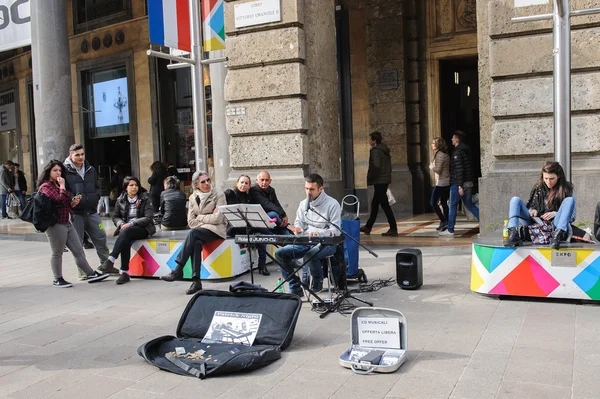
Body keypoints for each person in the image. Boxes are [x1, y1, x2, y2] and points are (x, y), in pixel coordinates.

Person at [36, 160, 109, 287]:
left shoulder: (58, 185)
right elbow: (59, 199)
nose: (58, 173)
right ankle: (57, 278)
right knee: (57, 252)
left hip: (68, 222)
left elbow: (64, 202)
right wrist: (63, 187)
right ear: (48, 172)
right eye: (55, 170)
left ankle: (90, 273)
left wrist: (72, 203)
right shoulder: (46, 186)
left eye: (60, 170)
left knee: (78, 250)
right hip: (56, 224)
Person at [274, 173, 341, 297]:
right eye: (306, 189)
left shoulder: (332, 204)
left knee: (310, 255)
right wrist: (297, 228)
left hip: (326, 242)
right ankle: (295, 287)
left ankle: (317, 284)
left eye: (311, 189)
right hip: (306, 240)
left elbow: (336, 230)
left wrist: (320, 233)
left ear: (321, 189)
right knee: (280, 254)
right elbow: (299, 221)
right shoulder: (303, 204)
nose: (308, 192)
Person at [160, 171, 227, 295]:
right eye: (203, 181)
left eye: (208, 180)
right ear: (196, 184)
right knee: (195, 242)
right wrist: (207, 217)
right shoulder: (192, 198)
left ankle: (178, 269)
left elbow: (218, 219)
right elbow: (190, 222)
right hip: (201, 230)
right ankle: (196, 282)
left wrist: (200, 217)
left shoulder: (219, 195)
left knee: (193, 233)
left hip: (217, 230)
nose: (207, 183)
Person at [63, 144, 110, 279]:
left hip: (92, 211)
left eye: (82, 154)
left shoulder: (91, 169)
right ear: (70, 155)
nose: (80, 157)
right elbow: (64, 190)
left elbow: (96, 186)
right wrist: (71, 200)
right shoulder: (64, 171)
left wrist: (96, 196)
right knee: (77, 244)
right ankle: (83, 271)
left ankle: (106, 265)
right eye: (77, 155)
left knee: (101, 236)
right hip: (75, 214)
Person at [505, 161, 575, 250]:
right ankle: (513, 233)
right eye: (546, 178)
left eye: (552, 178)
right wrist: (532, 211)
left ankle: (557, 236)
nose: (548, 182)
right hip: (535, 222)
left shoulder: (567, 189)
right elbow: (530, 206)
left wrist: (556, 213)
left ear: (559, 176)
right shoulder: (538, 187)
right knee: (515, 200)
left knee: (569, 200)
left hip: (554, 224)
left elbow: (572, 217)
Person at [100, 176, 156, 284]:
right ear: (126, 187)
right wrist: (121, 224)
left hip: (143, 228)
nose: (134, 187)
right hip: (126, 229)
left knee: (126, 233)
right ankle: (124, 273)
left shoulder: (145, 198)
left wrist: (131, 223)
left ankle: (111, 260)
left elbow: (148, 218)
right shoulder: (120, 199)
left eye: (136, 185)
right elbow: (115, 216)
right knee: (125, 237)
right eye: (131, 185)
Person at [224, 174, 272, 275]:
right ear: (237, 183)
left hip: (247, 227)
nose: (243, 185)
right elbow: (225, 195)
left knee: (261, 235)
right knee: (264, 231)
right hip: (235, 228)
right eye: (241, 182)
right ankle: (275, 237)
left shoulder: (249, 196)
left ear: (249, 186)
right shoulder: (232, 193)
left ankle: (262, 264)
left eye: (246, 183)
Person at [440, 130, 480, 237]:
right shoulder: (466, 150)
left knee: (452, 205)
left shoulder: (457, 152)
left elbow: (459, 170)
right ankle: (485, 224)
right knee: (469, 205)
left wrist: (459, 186)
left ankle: (450, 229)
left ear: (457, 139)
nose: (452, 140)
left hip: (459, 183)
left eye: (453, 138)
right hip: (468, 182)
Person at [249, 171, 289, 273]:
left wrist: (284, 215)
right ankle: (280, 230)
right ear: (257, 180)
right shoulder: (254, 190)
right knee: (273, 215)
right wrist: (281, 214)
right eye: (262, 180)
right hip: (257, 222)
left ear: (270, 181)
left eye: (267, 180)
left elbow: (276, 203)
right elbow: (266, 204)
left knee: (287, 234)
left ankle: (290, 258)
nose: (264, 182)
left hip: (270, 224)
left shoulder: (271, 190)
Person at [360, 131, 397, 236]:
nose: (369, 141)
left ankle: (393, 227)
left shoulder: (376, 151)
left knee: (385, 205)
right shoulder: (383, 150)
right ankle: (368, 226)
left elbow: (376, 166)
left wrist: (370, 176)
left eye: (370, 139)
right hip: (383, 180)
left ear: (374, 140)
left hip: (379, 180)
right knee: (375, 204)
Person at [429, 137, 450, 231]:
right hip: (446, 182)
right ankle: (445, 222)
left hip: (441, 183)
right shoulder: (443, 154)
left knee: (433, 202)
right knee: (444, 203)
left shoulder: (440, 155)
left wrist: (431, 166)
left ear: (438, 145)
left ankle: (444, 220)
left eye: (433, 143)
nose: (432, 144)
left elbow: (438, 170)